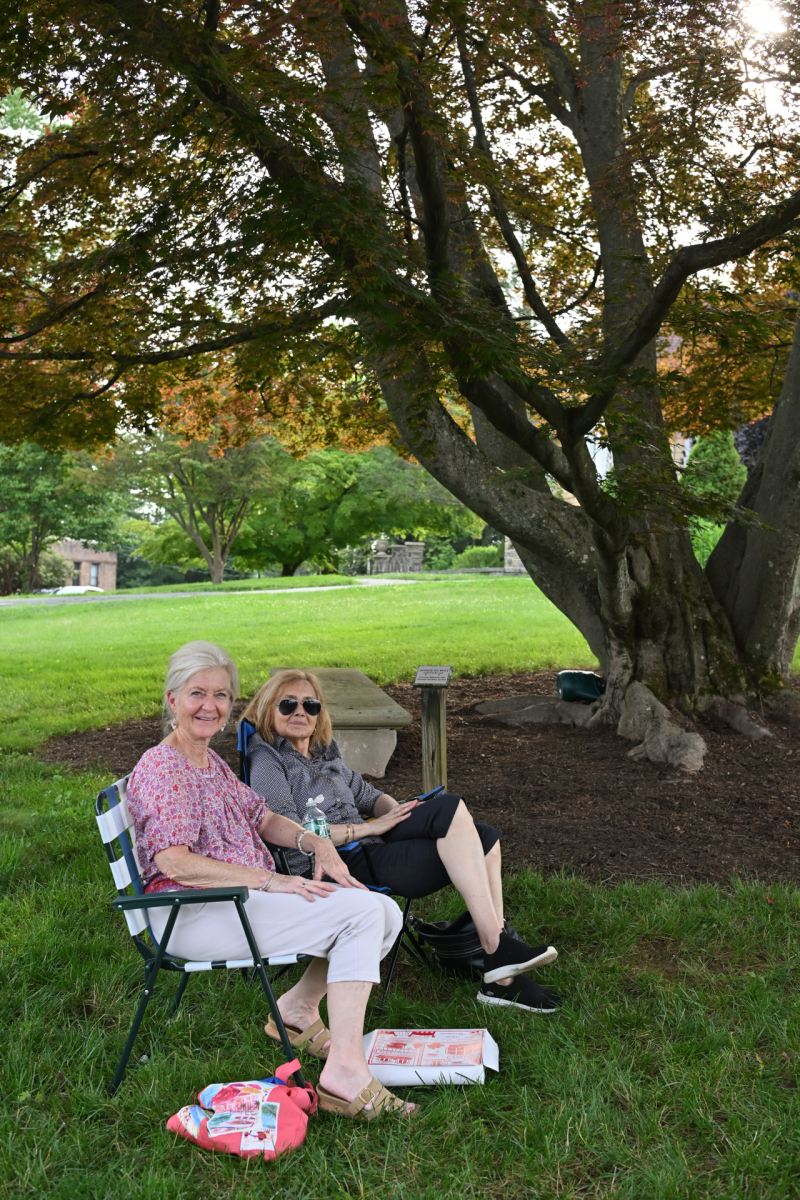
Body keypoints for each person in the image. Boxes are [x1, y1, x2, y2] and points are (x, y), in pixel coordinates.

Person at [126, 641, 417, 1121]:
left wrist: (312, 841)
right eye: (197, 693)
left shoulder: (207, 761)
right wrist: (270, 880)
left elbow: (262, 817)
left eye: (221, 695)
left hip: (235, 900)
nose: (210, 705)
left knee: (384, 911)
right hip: (195, 912)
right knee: (365, 914)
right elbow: (175, 862)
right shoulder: (165, 767)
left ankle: (298, 1009)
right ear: (173, 699)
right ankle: (345, 1073)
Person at [242, 669, 563, 1014]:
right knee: (450, 807)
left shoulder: (324, 755)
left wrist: (403, 816)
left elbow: (370, 796)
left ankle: (500, 970)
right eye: (288, 704)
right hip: (333, 866)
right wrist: (367, 830)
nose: (300, 712)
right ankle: (496, 952)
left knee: (482, 836)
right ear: (268, 709)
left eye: (310, 704)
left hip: (369, 850)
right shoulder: (267, 760)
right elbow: (291, 831)